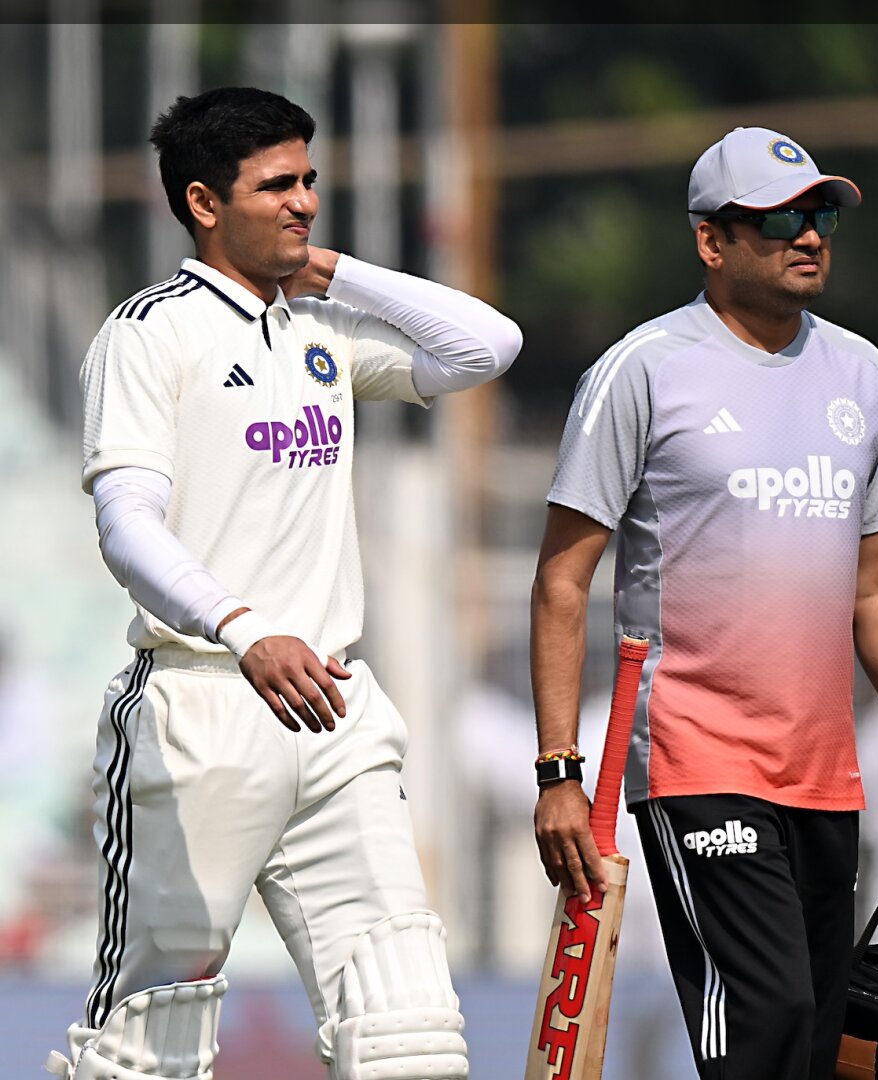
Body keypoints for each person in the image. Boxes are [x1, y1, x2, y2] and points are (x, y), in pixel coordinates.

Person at [47, 86, 521, 1080]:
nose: (304, 200)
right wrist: (242, 627)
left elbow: (487, 345)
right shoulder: (149, 333)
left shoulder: (321, 330)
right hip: (200, 706)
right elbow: (126, 524)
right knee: (149, 1049)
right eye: (275, 185)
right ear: (204, 203)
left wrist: (334, 270)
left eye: (308, 179)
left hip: (335, 709)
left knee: (410, 1040)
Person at [529, 126, 878, 1080]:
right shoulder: (642, 369)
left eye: (819, 217)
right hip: (694, 760)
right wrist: (559, 770)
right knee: (766, 1022)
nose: (807, 236)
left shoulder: (860, 371)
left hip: (824, 776)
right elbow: (564, 578)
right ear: (711, 241)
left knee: (814, 1044)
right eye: (777, 221)